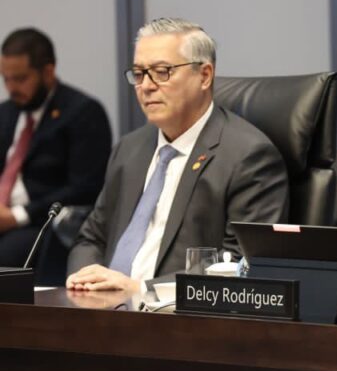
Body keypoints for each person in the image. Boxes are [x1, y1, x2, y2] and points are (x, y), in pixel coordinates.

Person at [66, 18, 289, 291]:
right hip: (103, 313)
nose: (146, 86)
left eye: (162, 72)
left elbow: (240, 267)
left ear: (204, 76)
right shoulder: (130, 149)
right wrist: (84, 280)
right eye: (138, 74)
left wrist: (141, 289)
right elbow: (91, 238)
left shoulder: (248, 157)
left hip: (180, 323)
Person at [0, 28, 112, 268]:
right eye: (5, 79)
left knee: (6, 257)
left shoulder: (83, 113)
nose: (11, 88)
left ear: (48, 72)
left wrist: (18, 216)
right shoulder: (6, 113)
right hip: (4, 217)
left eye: (19, 79)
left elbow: (85, 188)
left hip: (42, 224)